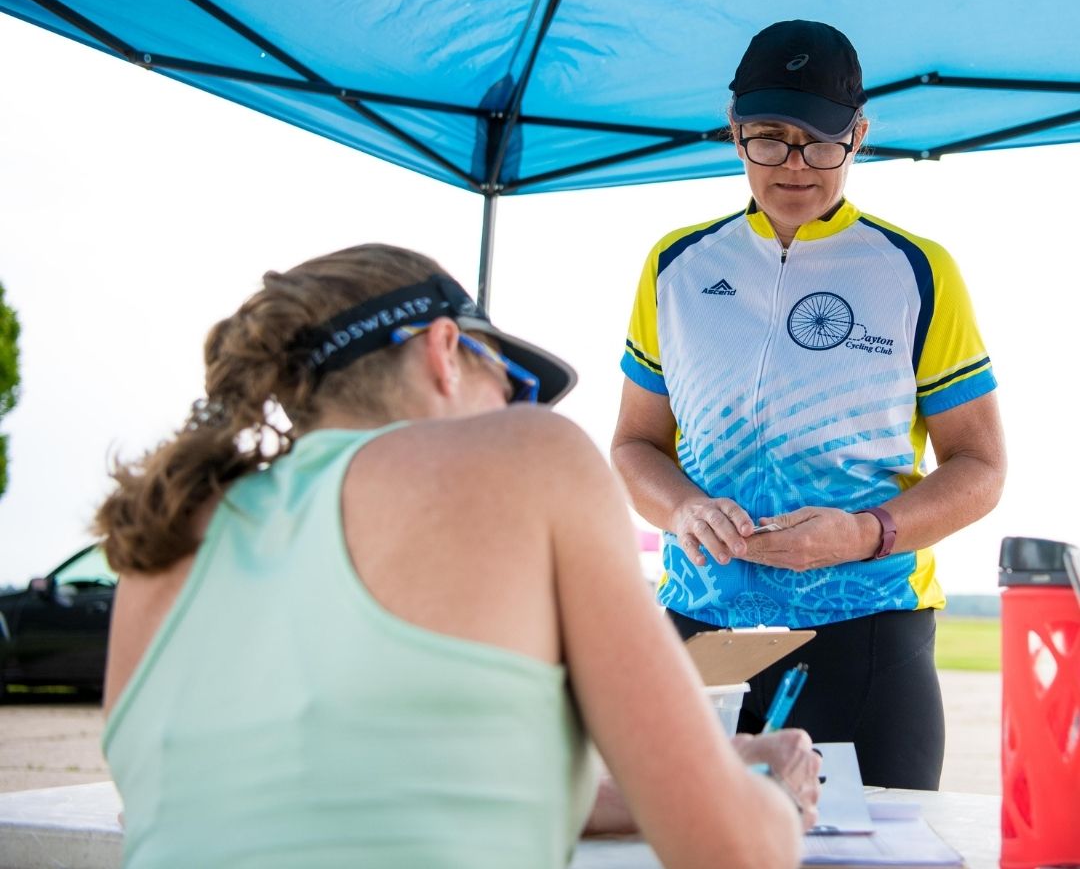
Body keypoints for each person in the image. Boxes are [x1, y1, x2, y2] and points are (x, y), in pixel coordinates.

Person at [96, 243, 819, 869]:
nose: (518, 413)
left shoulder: (163, 538)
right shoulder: (530, 456)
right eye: (513, 388)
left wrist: (699, 773)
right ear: (445, 352)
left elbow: (361, 792)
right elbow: (732, 850)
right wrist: (770, 796)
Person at [612, 20, 1007, 791]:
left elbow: (982, 466)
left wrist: (866, 534)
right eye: (768, 138)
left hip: (864, 627)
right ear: (733, 132)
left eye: (820, 141)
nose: (795, 165)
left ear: (859, 135)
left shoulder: (919, 270)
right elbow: (634, 445)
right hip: (700, 624)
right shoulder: (676, 265)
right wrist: (684, 509)